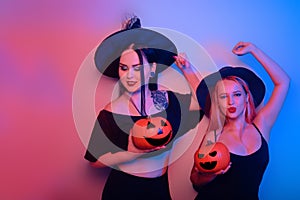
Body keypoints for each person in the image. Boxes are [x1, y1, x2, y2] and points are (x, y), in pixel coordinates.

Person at [84, 16, 203, 200]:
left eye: (137, 68)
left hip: (159, 189)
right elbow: (94, 162)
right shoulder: (111, 112)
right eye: (124, 68)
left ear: (153, 68)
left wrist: (188, 70)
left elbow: (202, 102)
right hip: (123, 190)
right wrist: (130, 154)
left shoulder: (167, 99)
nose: (129, 75)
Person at [190, 41, 290, 200]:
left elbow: (283, 83)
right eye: (223, 96)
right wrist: (210, 175)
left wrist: (254, 50)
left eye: (236, 95)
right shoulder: (214, 135)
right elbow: (195, 180)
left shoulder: (262, 125)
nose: (230, 102)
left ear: (246, 98)